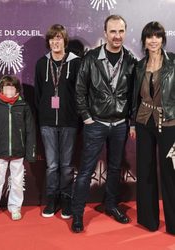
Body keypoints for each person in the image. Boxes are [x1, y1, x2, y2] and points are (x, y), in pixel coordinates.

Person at [71, 15, 136, 233]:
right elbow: (79, 91)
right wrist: (87, 117)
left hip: (120, 124)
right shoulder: (90, 58)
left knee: (115, 168)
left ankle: (110, 206)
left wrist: (131, 121)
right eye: (113, 31)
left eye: (121, 31)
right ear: (105, 33)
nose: (117, 36)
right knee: (86, 170)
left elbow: (134, 95)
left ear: (125, 33)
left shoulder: (131, 61)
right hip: (96, 123)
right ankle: (77, 215)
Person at [34, 24, 81, 219]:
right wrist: (44, 113)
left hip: (69, 121)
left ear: (65, 41)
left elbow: (81, 93)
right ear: (49, 42)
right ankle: (52, 199)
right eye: (52, 39)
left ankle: (67, 198)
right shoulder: (41, 64)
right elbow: (38, 94)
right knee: (52, 165)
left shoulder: (76, 63)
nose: (55, 42)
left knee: (67, 165)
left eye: (59, 38)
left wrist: (76, 115)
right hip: (47, 122)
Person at [133, 21, 175, 235]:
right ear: (144, 40)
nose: (153, 40)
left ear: (162, 39)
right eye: (149, 36)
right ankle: (149, 220)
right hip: (143, 121)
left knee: (171, 172)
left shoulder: (174, 63)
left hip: (169, 122)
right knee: (145, 169)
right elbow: (135, 97)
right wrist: (133, 122)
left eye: (157, 36)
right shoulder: (139, 65)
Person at [0, 75, 36, 221]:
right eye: (6, 87)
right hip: (0, 151)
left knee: (17, 181)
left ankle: (15, 207)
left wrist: (30, 152)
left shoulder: (24, 106)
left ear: (16, 90)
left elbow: (30, 130)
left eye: (12, 88)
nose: (9, 91)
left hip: (18, 151)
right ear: (1, 89)